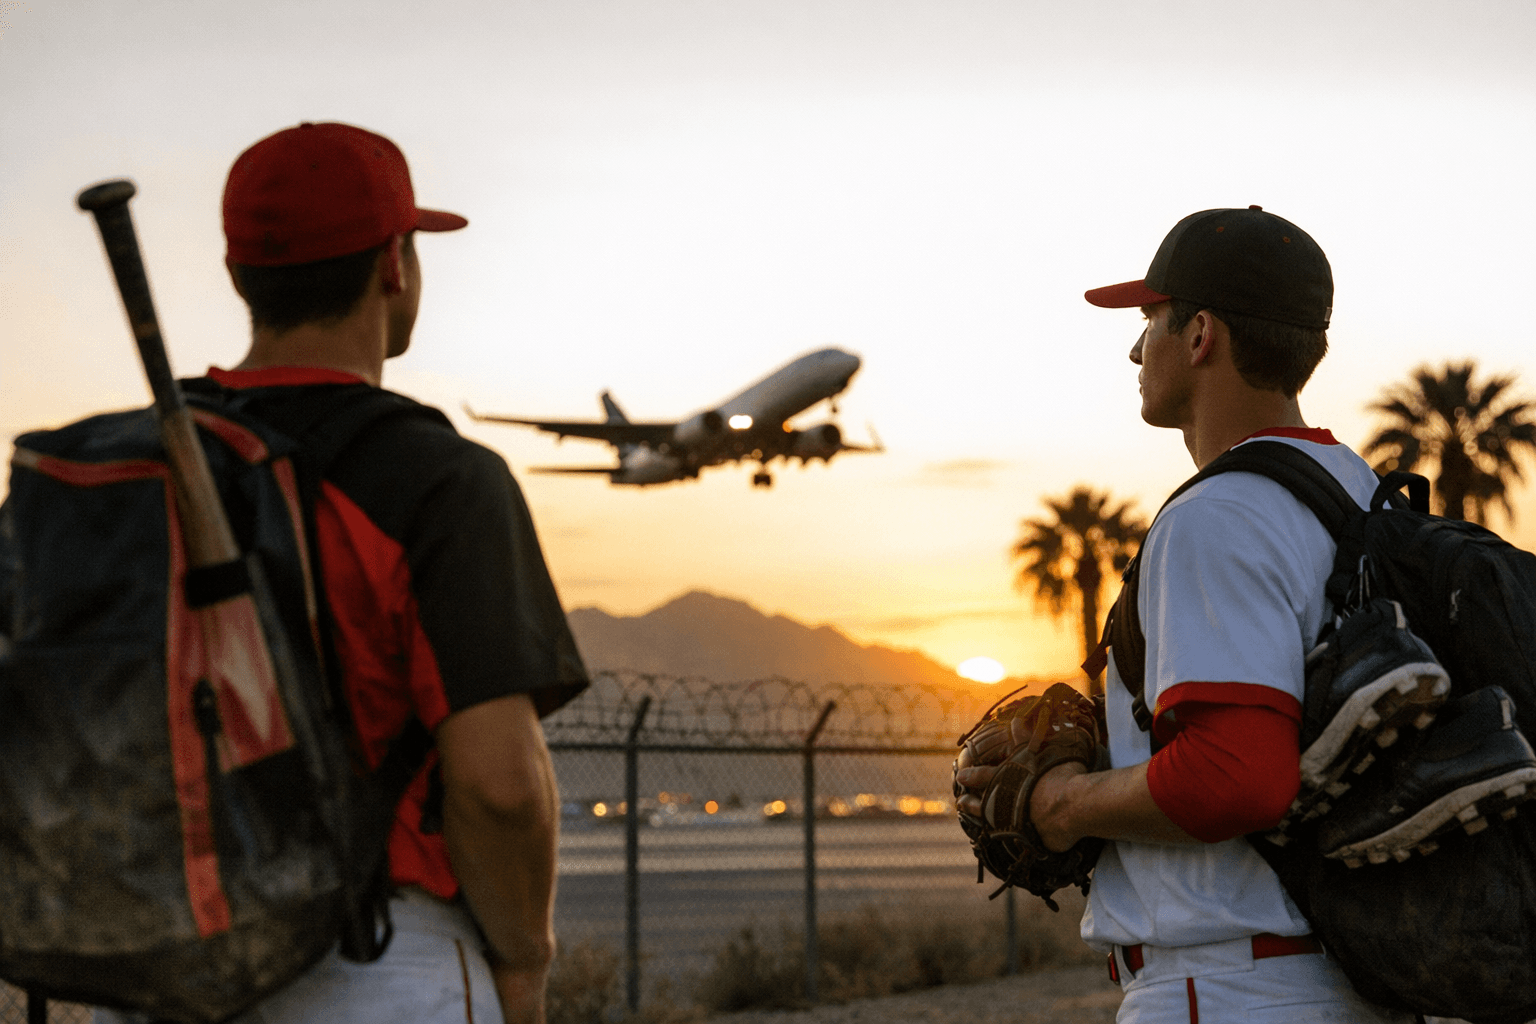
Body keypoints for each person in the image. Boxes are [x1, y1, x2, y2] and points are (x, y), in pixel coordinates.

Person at [98, 121, 589, 1024]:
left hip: (157, 963)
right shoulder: (438, 480)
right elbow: (499, 786)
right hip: (374, 966)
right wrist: (524, 961)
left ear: (241, 275)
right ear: (395, 264)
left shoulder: (125, 472)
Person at [959, 207, 1412, 1022]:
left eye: (1148, 323)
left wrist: (1062, 803)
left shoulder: (1219, 515)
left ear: (1200, 334)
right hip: (1347, 979)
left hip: (1234, 989)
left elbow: (1234, 777)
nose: (1136, 351)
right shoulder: (1358, 492)